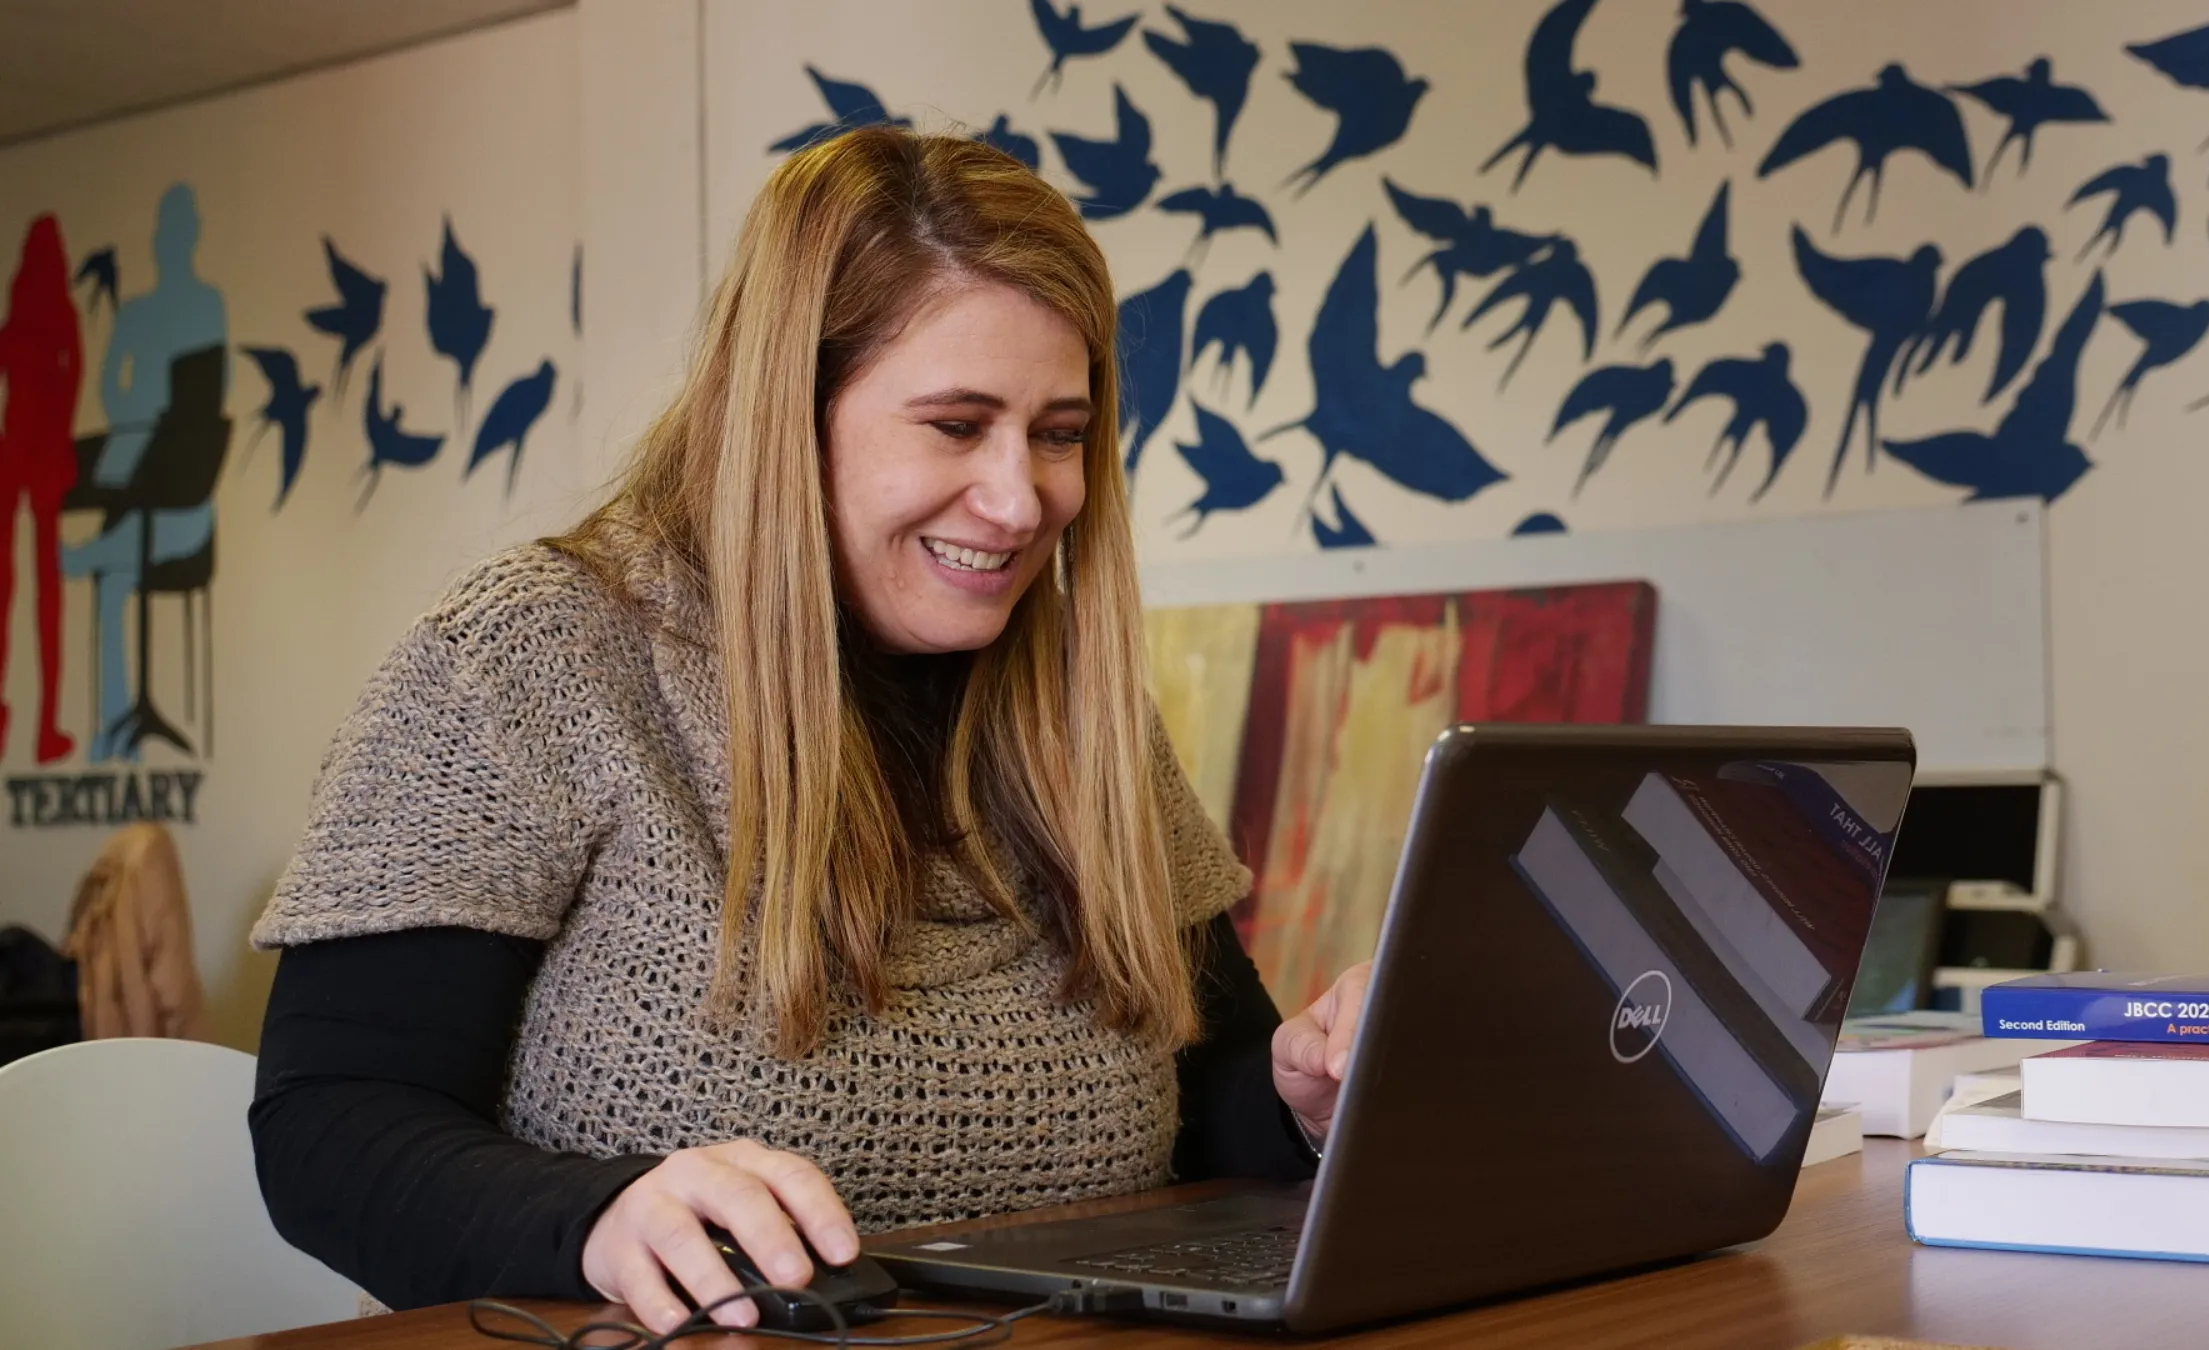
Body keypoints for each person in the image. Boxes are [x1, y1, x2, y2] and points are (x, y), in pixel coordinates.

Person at [247, 127, 1372, 1336]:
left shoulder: (1081, 711)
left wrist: (1304, 1097)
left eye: (1057, 434)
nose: (1019, 497)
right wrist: (602, 1220)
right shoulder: (530, 656)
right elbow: (331, 1127)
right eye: (955, 425)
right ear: (789, 414)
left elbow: (1203, 1100)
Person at [62, 182, 226, 762]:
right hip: (135, 481)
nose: (169, 242)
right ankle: (117, 723)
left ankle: (90, 552)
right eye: (163, 232)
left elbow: (210, 396)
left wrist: (166, 419)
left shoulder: (208, 305)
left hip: (184, 509)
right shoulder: (136, 312)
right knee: (112, 586)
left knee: (113, 556)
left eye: (179, 230)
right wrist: (141, 415)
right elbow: (111, 385)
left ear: (192, 237)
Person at [0, 214, 82, 764]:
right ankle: (45, 723)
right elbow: (71, 381)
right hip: (40, 458)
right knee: (39, 597)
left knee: (14, 594)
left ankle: (42, 723)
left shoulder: (18, 325)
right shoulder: (58, 318)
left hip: (21, 456)